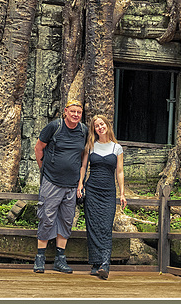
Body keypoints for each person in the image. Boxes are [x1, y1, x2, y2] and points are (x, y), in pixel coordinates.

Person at [33, 100, 88, 274]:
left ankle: (60, 258)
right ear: (65, 111)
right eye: (72, 111)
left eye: (79, 112)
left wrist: (80, 182)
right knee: (47, 217)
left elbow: (82, 156)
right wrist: (45, 170)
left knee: (66, 219)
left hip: (72, 184)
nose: (76, 115)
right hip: (52, 181)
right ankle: (40, 257)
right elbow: (38, 148)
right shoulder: (54, 127)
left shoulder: (83, 130)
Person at [77, 114, 127, 280]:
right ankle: (96, 263)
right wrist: (80, 185)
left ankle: (105, 263)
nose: (100, 127)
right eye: (96, 125)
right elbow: (83, 167)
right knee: (93, 227)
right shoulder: (90, 146)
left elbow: (119, 172)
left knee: (105, 227)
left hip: (108, 192)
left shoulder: (116, 148)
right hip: (92, 191)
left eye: (102, 124)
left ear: (107, 125)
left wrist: (122, 193)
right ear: (94, 129)